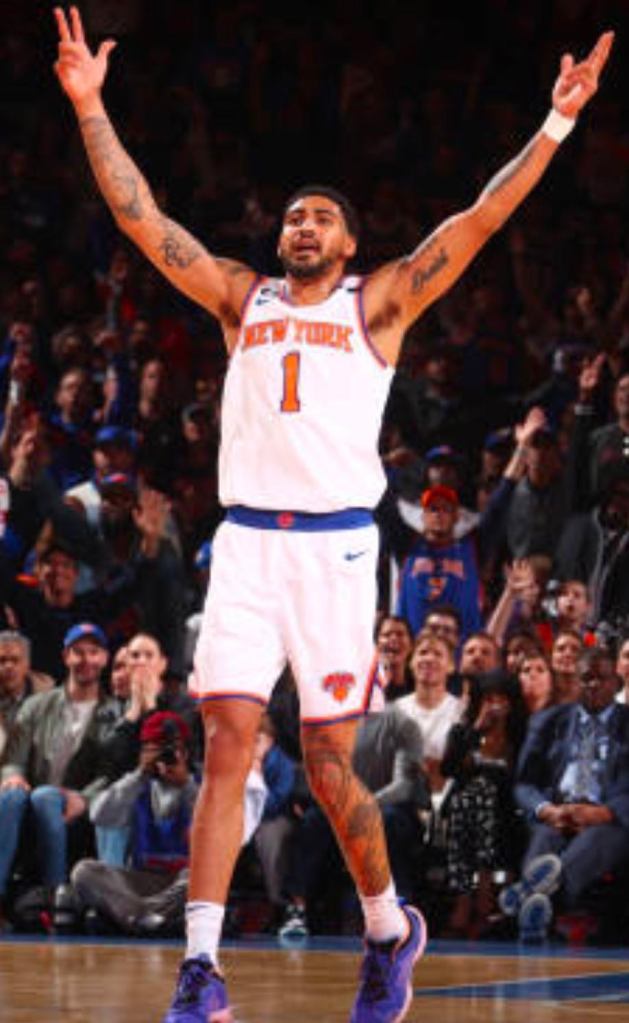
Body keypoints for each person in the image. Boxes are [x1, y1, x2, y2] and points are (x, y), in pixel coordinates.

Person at [53, 8, 613, 1020]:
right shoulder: (241, 298)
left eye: (320, 217)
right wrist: (91, 106)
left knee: (324, 764)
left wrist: (556, 122)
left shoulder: (378, 302)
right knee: (226, 742)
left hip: (336, 553)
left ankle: (387, 926)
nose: (301, 225)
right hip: (244, 547)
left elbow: (479, 221)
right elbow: (143, 219)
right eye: (292, 216)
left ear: (348, 241)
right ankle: (201, 969)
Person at [500, 646, 629, 941]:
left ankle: (527, 900)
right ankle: (536, 911)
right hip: (557, 813)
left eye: (601, 678)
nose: (593, 685)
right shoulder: (547, 721)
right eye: (586, 678)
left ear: (616, 683)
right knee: (544, 838)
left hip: (608, 819)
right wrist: (546, 809)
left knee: (594, 842)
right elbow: (523, 784)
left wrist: (604, 812)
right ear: (575, 681)